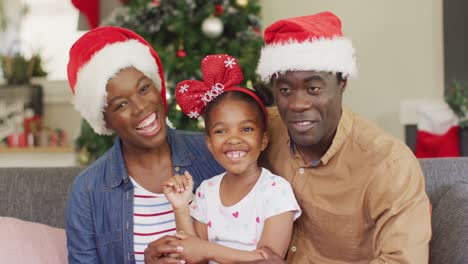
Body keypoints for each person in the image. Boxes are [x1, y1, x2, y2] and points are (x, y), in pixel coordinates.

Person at [253, 11, 432, 263]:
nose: (297, 104)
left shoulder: (389, 164)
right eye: (285, 89)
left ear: (342, 83)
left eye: (313, 88)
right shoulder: (260, 131)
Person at [65, 26, 224, 264]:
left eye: (143, 88)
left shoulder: (213, 153)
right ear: (104, 120)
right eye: (120, 105)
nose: (140, 107)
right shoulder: (88, 190)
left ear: (157, 87)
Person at [162, 54, 301, 263]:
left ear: (263, 140)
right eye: (221, 131)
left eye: (246, 129)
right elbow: (192, 256)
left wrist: (207, 250)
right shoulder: (206, 191)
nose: (234, 139)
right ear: (209, 143)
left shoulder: (275, 191)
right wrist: (181, 208)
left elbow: (268, 261)